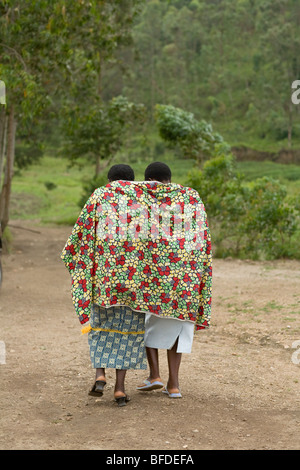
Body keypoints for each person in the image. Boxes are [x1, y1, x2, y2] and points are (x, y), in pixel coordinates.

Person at [61, 163, 147, 407]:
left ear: (110, 180)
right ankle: (119, 389)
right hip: (134, 281)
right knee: (128, 333)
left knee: (99, 326)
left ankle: (100, 374)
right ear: (133, 181)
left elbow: (80, 233)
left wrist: (75, 262)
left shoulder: (99, 195)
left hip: (103, 281)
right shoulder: (143, 200)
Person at [136, 162, 212, 398]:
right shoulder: (191, 197)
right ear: (170, 178)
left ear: (148, 179)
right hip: (185, 276)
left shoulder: (143, 198)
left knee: (147, 319)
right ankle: (174, 384)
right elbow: (203, 235)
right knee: (179, 324)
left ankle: (154, 375)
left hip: (154, 277)